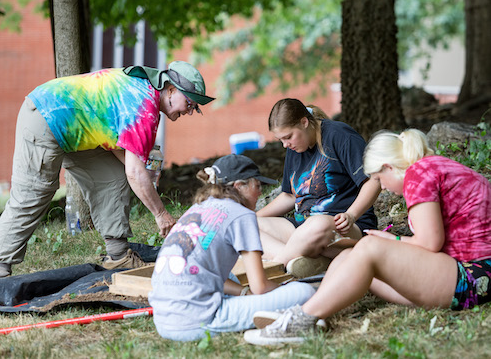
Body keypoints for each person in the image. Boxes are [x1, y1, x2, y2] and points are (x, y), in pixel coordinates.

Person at [244, 128, 491, 345]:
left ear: (389, 167)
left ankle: (298, 322)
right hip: (460, 270)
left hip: (473, 277)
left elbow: (429, 243)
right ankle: (313, 313)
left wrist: (389, 241)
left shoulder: (419, 174)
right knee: (353, 256)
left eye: (378, 179)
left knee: (369, 247)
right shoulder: (430, 167)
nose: (382, 187)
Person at [0, 61, 214, 278]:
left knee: (112, 178)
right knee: (34, 192)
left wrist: (142, 170)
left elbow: (123, 153)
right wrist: (161, 214)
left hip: (77, 129)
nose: (191, 111)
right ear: (172, 90)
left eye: (196, 108)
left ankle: (118, 256)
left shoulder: (147, 93)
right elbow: (135, 173)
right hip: (46, 115)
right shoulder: (144, 107)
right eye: (190, 104)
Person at [148, 154, 317, 341]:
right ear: (239, 186)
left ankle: (255, 308)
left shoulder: (196, 209)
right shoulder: (242, 215)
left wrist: (245, 293)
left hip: (163, 320)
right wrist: (282, 290)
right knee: (305, 292)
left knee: (222, 271)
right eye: (257, 186)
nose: (261, 193)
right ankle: (278, 319)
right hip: (197, 321)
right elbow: (260, 287)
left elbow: (210, 272)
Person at [257, 98, 381, 278]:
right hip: (303, 230)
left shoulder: (340, 135)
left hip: (343, 228)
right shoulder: (294, 149)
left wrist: (351, 215)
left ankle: (276, 269)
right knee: (249, 226)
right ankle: (300, 262)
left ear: (304, 122)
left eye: (288, 137)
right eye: (281, 140)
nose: (285, 145)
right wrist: (248, 218)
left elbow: (373, 181)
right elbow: (290, 196)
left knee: (318, 224)